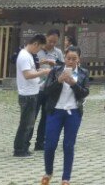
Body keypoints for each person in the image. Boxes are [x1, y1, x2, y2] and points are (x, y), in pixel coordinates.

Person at [39, 46, 89, 185]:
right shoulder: (55, 71)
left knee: (68, 145)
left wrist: (73, 84)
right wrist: (59, 80)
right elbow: (47, 91)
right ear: (64, 58)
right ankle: (48, 172)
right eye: (68, 58)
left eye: (74, 59)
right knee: (50, 144)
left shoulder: (83, 73)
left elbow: (85, 93)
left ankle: (66, 178)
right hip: (55, 111)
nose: (71, 61)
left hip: (73, 112)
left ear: (79, 59)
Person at [13, 34, 51, 157]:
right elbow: (27, 75)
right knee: (26, 123)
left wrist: (39, 72)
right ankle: (19, 149)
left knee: (29, 123)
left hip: (33, 92)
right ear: (35, 44)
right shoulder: (24, 56)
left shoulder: (29, 55)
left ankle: (24, 147)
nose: (39, 51)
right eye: (39, 48)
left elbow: (31, 72)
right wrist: (44, 72)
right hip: (27, 95)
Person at [34, 29, 65, 151]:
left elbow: (62, 67)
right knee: (33, 116)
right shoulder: (37, 50)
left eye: (54, 42)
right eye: (50, 41)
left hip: (50, 89)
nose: (52, 44)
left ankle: (40, 143)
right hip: (36, 88)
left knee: (46, 117)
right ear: (45, 37)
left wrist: (52, 64)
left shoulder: (58, 52)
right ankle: (25, 143)